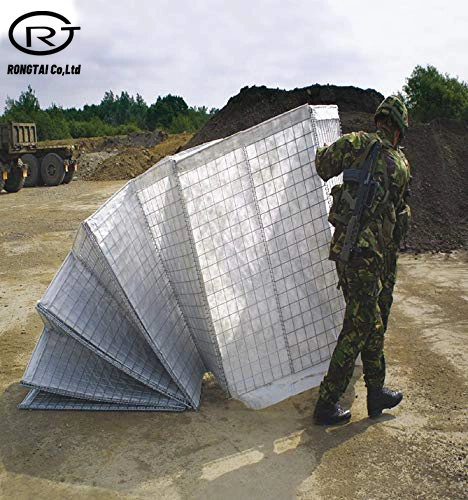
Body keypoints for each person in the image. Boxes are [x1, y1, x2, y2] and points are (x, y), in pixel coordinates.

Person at [313, 95, 412, 425]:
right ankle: (327, 402)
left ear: (378, 121)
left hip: (347, 249)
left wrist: (324, 147)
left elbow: (322, 166)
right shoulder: (400, 164)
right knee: (359, 325)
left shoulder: (355, 142)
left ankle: (375, 393)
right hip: (371, 256)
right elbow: (400, 220)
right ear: (397, 130)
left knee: (371, 323)